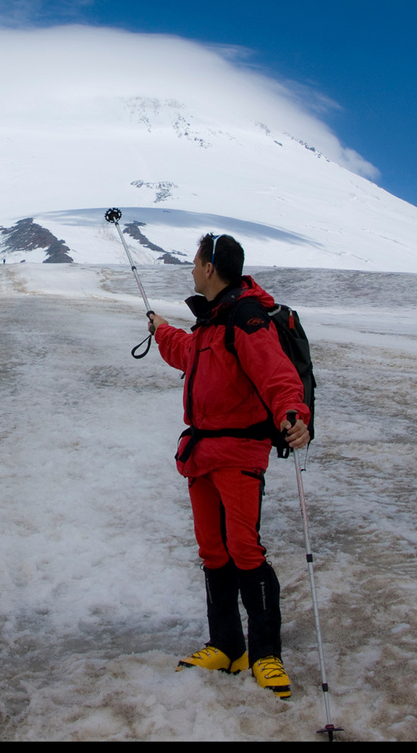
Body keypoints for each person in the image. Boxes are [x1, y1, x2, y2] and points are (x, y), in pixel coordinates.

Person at [146, 232, 310, 699]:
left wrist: (293, 413)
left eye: (195, 263)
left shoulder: (247, 318)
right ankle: (226, 646)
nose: (192, 270)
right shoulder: (211, 323)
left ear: (211, 268)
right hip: (201, 455)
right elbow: (188, 354)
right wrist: (161, 329)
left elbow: (276, 373)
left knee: (244, 548)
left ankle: (265, 654)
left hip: (238, 453)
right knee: (212, 549)